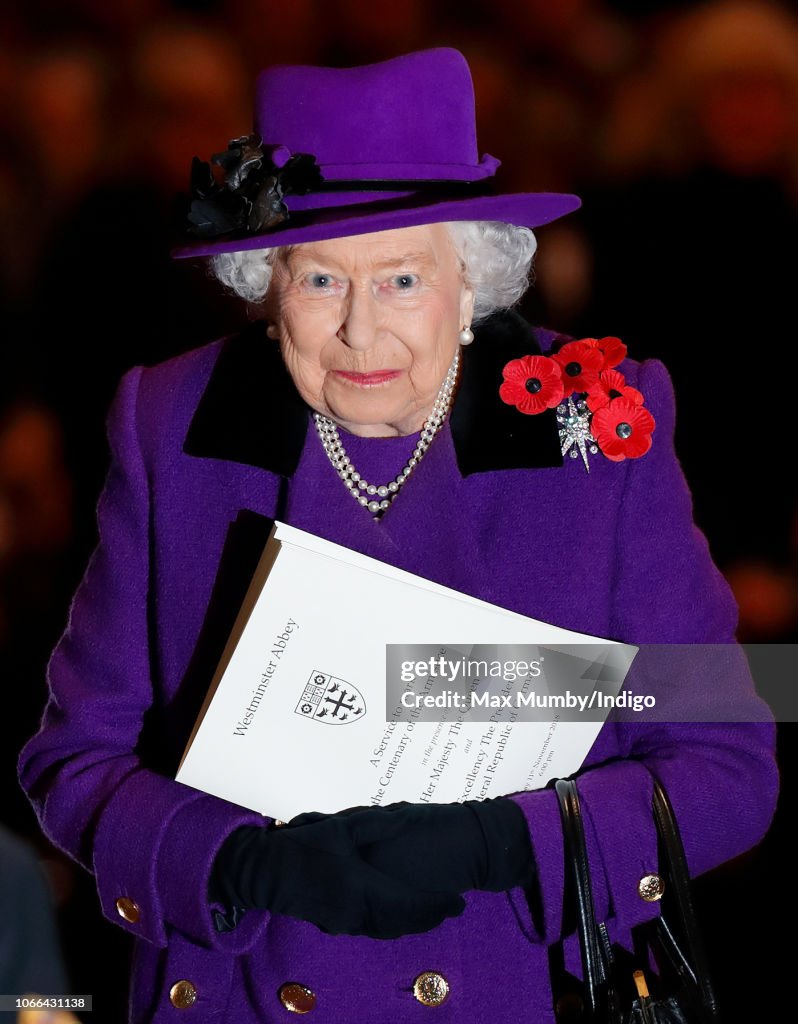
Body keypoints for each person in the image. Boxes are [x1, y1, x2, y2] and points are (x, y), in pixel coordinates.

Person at [18, 48, 777, 1023]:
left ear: (472, 282)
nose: (361, 334)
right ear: (266, 283)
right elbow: (71, 759)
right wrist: (230, 860)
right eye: (322, 280)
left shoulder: (594, 422)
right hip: (249, 988)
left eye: (405, 279)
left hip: (518, 987)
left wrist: (515, 843)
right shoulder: (174, 421)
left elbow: (730, 757)